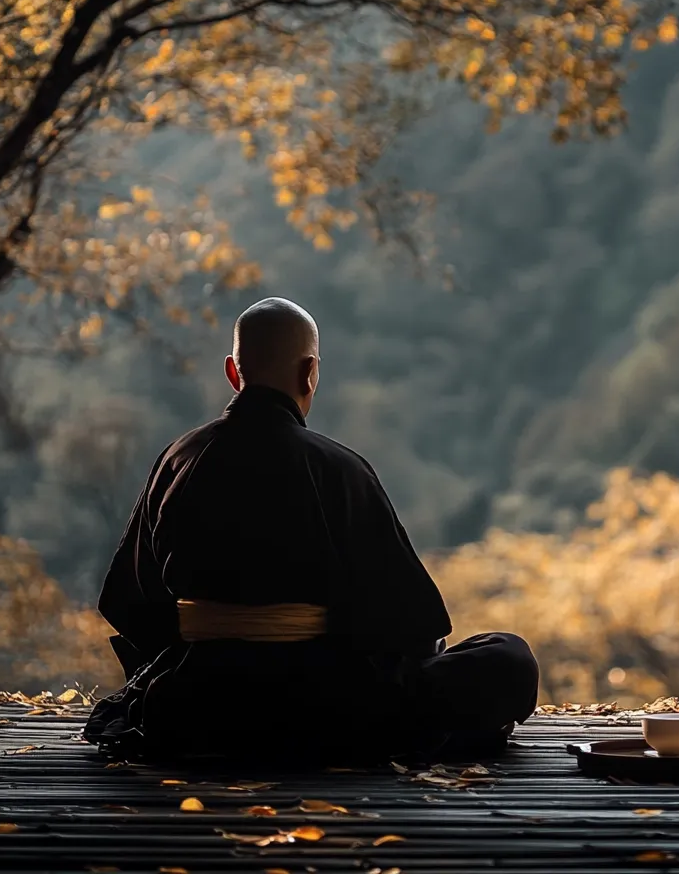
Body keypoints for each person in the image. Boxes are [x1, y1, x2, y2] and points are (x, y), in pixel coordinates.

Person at [84, 297, 539, 762]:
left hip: (193, 708)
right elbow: (413, 627)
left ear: (232, 372)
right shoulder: (338, 468)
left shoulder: (179, 459)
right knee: (507, 657)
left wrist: (204, 648)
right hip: (332, 709)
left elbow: (128, 602)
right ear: (310, 373)